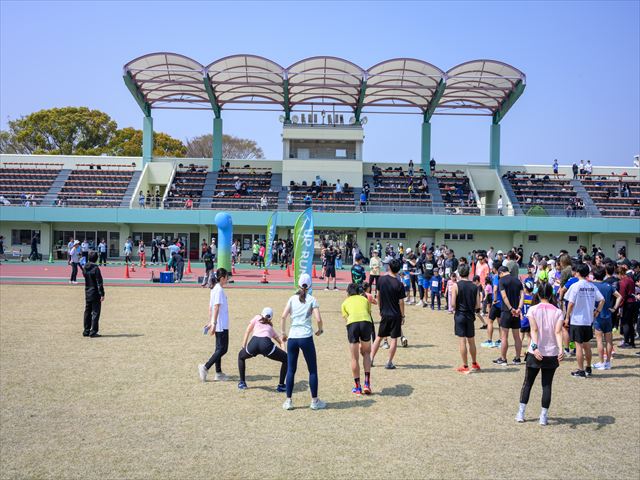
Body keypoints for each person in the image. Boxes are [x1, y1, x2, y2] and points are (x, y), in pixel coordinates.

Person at [515, 282, 564, 426]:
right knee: (547, 385)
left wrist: (535, 347)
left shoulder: (533, 309)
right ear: (551, 294)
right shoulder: (558, 311)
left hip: (535, 352)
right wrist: (561, 349)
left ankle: (521, 413)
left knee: (528, 383)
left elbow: (534, 330)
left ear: (538, 294)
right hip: (551, 352)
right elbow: (558, 332)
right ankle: (543, 416)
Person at [280, 273, 326, 411]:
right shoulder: (312, 299)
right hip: (306, 337)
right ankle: (314, 401)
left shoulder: (292, 299)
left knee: (291, 370)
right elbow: (318, 319)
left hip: (293, 337)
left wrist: (283, 333)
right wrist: (320, 330)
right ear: (310, 285)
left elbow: (283, 316)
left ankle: (288, 401)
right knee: (312, 370)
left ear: (298, 284)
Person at [564, 263, 604, 378]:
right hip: (588, 320)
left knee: (578, 346)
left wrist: (567, 317)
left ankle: (581, 370)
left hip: (577, 320)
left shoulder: (575, 286)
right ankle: (588, 367)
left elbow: (570, 303)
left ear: (578, 273)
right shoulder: (592, 286)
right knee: (587, 345)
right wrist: (597, 312)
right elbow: (602, 300)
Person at [237, 307, 287, 392]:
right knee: (286, 359)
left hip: (254, 343)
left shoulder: (257, 317)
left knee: (241, 356)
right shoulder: (270, 328)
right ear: (271, 318)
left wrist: (243, 346)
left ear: (261, 314)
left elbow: (247, 331)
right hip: (266, 345)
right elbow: (281, 342)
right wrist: (283, 353)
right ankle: (281, 385)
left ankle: (242, 383)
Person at [370, 259, 406, 370]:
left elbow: (378, 295)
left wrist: (380, 308)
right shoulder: (399, 284)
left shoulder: (381, 279)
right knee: (394, 338)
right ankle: (389, 362)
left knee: (379, 337)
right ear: (398, 270)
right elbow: (401, 302)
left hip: (384, 313)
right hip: (395, 314)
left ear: (389, 267)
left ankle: (371, 359)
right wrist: (403, 315)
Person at [198, 268, 231, 382]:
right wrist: (214, 323)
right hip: (221, 324)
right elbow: (215, 307)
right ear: (222, 278)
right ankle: (205, 367)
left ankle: (218, 372)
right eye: (226, 277)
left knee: (218, 349)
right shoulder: (219, 290)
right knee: (223, 349)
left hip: (219, 323)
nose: (227, 279)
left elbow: (210, 307)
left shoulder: (214, 289)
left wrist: (210, 322)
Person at [341, 283, 374, 395]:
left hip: (352, 324)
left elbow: (347, 319)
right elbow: (368, 313)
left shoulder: (345, 303)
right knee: (366, 353)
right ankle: (367, 384)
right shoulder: (365, 299)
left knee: (354, 358)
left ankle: (357, 387)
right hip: (366, 323)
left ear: (348, 292)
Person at [591, 266, 622, 369]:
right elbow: (619, 296)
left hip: (598, 315)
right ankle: (608, 362)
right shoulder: (608, 286)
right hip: (608, 315)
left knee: (599, 340)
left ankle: (601, 362)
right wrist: (614, 308)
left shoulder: (592, 286)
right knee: (609, 340)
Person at [452, 264, 481, 373]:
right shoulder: (475, 286)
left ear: (459, 273)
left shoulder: (456, 285)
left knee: (462, 341)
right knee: (471, 341)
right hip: (470, 316)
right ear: (469, 273)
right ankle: (474, 363)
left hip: (460, 315)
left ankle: (465, 366)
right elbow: (478, 305)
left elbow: (453, 304)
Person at [493, 266, 524, 366]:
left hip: (506, 311)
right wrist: (519, 308)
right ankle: (517, 358)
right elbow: (522, 296)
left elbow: (504, 296)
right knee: (517, 336)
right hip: (516, 312)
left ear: (501, 273)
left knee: (504, 336)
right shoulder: (518, 281)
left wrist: (510, 308)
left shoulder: (501, 281)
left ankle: (503, 359)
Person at [81, 251, 105, 337]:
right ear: (96, 259)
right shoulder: (96, 268)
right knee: (95, 312)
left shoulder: (85, 267)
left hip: (87, 291)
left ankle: (86, 330)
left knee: (87, 311)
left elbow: (84, 275)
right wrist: (102, 293)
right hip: (95, 292)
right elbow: (99, 282)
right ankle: (93, 331)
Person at [617, 266, 637, 349]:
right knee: (631, 323)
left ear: (620, 273)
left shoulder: (623, 282)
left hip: (627, 303)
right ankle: (632, 342)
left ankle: (626, 342)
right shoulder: (630, 280)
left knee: (625, 323)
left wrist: (619, 306)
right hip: (633, 302)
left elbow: (622, 295)